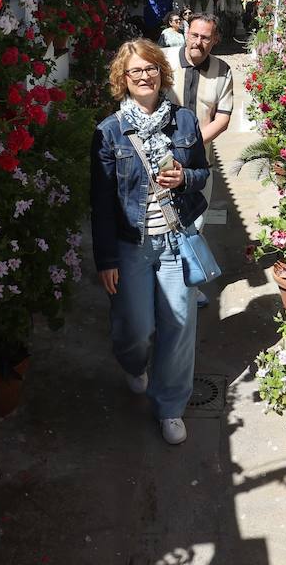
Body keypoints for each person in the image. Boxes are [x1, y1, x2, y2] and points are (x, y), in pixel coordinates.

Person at [90, 39, 210, 445]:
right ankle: (132, 362)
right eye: (135, 71)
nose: (144, 76)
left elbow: (202, 172)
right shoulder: (108, 133)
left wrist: (186, 178)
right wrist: (105, 258)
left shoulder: (186, 122)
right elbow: (101, 201)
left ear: (162, 72)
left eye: (151, 69)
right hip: (131, 244)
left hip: (178, 238)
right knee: (136, 329)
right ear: (123, 79)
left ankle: (170, 406)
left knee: (179, 326)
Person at [163, 14, 234, 309]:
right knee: (162, 225)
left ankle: (187, 285)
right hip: (161, 160)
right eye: (194, 35)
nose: (198, 42)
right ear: (186, 33)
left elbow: (223, 118)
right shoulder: (164, 60)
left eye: (206, 38)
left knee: (195, 224)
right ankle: (169, 286)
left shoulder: (223, 71)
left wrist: (190, 146)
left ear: (214, 40)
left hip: (199, 163)